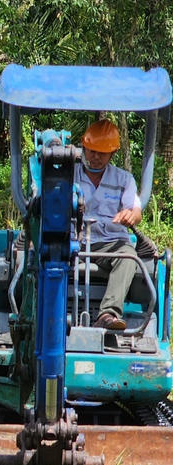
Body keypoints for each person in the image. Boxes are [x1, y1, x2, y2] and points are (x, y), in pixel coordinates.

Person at [76, 119, 142, 331]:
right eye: (91, 151)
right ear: (83, 148)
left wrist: (130, 215)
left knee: (129, 256)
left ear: (112, 154)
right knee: (43, 256)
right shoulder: (68, 175)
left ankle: (108, 313)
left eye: (101, 153)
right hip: (72, 242)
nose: (95, 157)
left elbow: (135, 209)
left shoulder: (124, 179)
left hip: (108, 244)